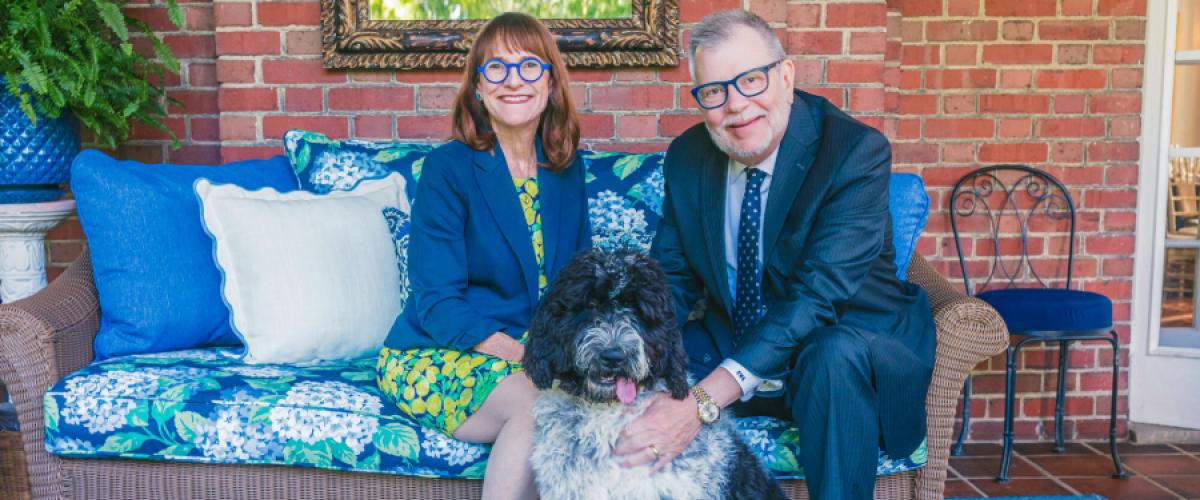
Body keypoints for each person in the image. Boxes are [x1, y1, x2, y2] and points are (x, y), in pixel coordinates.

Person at [613, 10, 936, 500]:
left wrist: (702, 400)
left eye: (750, 80)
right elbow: (672, 281)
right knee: (632, 379)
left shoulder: (853, 152)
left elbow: (818, 297)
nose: (736, 106)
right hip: (735, 341)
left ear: (785, 76)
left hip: (844, 351)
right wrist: (628, 350)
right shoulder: (689, 156)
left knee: (832, 355)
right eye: (715, 91)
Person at [375, 12, 590, 500]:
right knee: (541, 408)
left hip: (527, 351)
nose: (514, 81)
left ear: (551, 82)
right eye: (496, 69)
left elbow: (581, 282)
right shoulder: (448, 169)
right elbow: (437, 302)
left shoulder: (565, 168)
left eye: (530, 67)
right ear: (477, 87)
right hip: (437, 349)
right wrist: (532, 359)